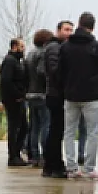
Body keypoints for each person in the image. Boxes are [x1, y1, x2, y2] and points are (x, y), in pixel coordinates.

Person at [57, 12, 98, 181]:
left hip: (70, 94)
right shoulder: (96, 46)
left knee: (69, 132)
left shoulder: (65, 46)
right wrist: (93, 80)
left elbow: (60, 70)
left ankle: (71, 168)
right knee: (93, 132)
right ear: (93, 27)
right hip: (91, 94)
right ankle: (89, 168)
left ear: (79, 24)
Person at [41, 20, 73, 179]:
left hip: (56, 93)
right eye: (66, 29)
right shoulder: (54, 48)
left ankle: (51, 164)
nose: (69, 33)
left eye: (71, 30)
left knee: (56, 130)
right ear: (58, 30)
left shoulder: (57, 47)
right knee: (55, 131)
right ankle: (54, 164)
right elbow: (54, 71)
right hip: (56, 94)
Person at [24, 29, 53, 167]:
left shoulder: (29, 54)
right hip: (42, 94)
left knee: (34, 127)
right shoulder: (43, 53)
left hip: (30, 94)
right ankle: (46, 155)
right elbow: (41, 71)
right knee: (45, 126)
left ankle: (34, 155)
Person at [0, 37, 29, 167]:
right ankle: (13, 156)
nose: (24, 50)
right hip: (13, 100)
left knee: (23, 127)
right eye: (22, 47)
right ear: (14, 47)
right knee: (15, 127)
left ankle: (16, 154)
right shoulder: (10, 61)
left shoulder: (16, 61)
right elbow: (6, 81)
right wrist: (17, 94)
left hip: (19, 98)